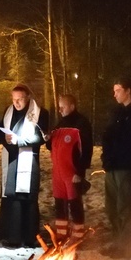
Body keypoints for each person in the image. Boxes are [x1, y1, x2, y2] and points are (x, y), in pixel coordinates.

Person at [101, 79, 131, 255]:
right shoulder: (118, 112)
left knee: (125, 207)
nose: (115, 94)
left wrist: (114, 136)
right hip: (112, 166)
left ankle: (126, 245)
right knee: (111, 207)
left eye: (118, 90)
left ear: (128, 91)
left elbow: (128, 139)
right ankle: (117, 241)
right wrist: (106, 158)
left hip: (127, 167)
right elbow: (108, 136)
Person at [0, 83, 48, 247]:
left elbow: (40, 138)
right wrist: (6, 140)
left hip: (29, 159)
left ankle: (29, 236)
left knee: (27, 197)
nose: (16, 103)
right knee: (12, 197)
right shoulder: (8, 111)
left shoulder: (40, 113)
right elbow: (1, 133)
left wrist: (19, 140)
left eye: (20, 99)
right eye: (14, 99)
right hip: (12, 159)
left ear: (28, 98)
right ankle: (13, 236)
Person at [47, 94, 93, 243]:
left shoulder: (81, 124)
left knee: (74, 204)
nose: (60, 109)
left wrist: (80, 172)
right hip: (58, 172)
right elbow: (51, 146)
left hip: (71, 172)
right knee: (59, 203)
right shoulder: (60, 124)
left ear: (72, 106)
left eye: (63, 106)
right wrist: (47, 139)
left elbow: (86, 150)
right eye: (59, 106)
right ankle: (61, 234)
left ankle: (78, 235)